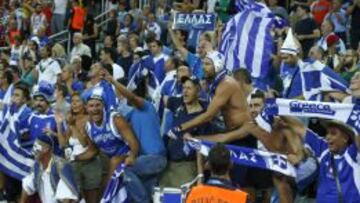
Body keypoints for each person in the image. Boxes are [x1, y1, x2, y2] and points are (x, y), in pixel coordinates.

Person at [105, 72, 167, 203]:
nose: (122, 95)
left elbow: (132, 97)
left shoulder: (147, 107)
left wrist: (114, 82)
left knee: (125, 170)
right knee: (145, 196)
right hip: (145, 161)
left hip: (156, 158)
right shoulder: (130, 115)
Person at [167, 51, 250, 139]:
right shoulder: (216, 83)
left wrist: (181, 128)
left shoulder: (226, 84)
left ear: (217, 66)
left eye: (207, 64)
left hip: (242, 133)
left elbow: (209, 116)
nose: (203, 67)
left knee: (199, 140)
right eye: (203, 64)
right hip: (233, 130)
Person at [76, 88, 139, 182]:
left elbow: (133, 142)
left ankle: (105, 195)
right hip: (112, 162)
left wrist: (132, 156)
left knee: (114, 161)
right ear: (86, 108)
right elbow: (92, 151)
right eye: (91, 106)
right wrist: (75, 158)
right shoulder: (88, 127)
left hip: (128, 156)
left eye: (98, 105)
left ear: (104, 106)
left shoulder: (115, 119)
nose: (94, 109)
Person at [161, 76, 214, 188]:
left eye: (189, 88)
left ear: (198, 90)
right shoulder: (178, 103)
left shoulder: (204, 117)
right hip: (167, 164)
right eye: (183, 87)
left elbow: (203, 147)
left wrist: (200, 176)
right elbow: (161, 99)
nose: (184, 91)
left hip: (187, 166)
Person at [56, 93, 103, 203]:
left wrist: (73, 126)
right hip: (75, 163)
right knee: (73, 197)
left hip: (91, 164)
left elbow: (85, 144)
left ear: (85, 105)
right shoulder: (72, 120)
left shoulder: (90, 119)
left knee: (91, 200)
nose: (74, 104)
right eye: (72, 101)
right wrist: (58, 124)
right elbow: (63, 144)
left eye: (77, 101)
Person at [20, 135, 79, 203]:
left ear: (46, 149)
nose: (33, 150)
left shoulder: (61, 166)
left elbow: (67, 198)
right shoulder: (37, 165)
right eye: (34, 147)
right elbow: (27, 185)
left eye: (37, 147)